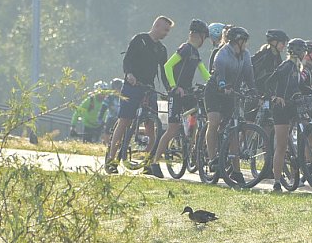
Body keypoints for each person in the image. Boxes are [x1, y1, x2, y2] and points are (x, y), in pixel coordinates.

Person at [106, 16, 172, 173]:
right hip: (132, 86)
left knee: (151, 126)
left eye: (168, 31)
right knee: (124, 122)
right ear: (156, 26)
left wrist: (170, 88)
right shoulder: (139, 40)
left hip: (149, 89)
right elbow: (127, 60)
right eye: (165, 29)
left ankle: (148, 163)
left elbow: (164, 72)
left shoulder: (162, 49)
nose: (166, 33)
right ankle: (111, 160)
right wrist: (129, 74)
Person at [147, 19, 211, 178]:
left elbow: (204, 73)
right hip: (176, 94)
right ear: (198, 35)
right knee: (172, 129)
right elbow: (168, 66)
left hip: (188, 93)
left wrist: (214, 84)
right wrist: (174, 87)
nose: (205, 41)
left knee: (199, 115)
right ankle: (154, 162)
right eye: (204, 37)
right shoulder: (185, 48)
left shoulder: (195, 53)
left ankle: (191, 145)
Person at [205, 26, 254, 186]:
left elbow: (249, 75)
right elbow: (219, 72)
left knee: (233, 129)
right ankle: (212, 159)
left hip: (232, 92)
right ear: (237, 41)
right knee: (214, 121)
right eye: (244, 41)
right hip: (216, 90)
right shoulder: (223, 54)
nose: (246, 44)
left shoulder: (245, 55)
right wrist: (223, 85)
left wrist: (255, 92)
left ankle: (236, 170)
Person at [264, 38, 310, 191]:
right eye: (303, 51)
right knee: (282, 146)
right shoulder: (286, 66)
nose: (305, 54)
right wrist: (274, 97)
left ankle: (302, 170)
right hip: (281, 108)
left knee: (300, 137)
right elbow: (268, 82)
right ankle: (277, 182)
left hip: (293, 107)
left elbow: (301, 87)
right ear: (298, 52)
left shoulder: (297, 68)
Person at [97, 78, 123, 145]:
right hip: (111, 118)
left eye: (119, 88)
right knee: (107, 130)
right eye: (115, 88)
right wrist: (100, 118)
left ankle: (118, 145)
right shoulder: (109, 97)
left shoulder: (124, 97)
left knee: (121, 132)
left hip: (121, 118)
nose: (117, 90)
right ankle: (107, 145)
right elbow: (103, 108)